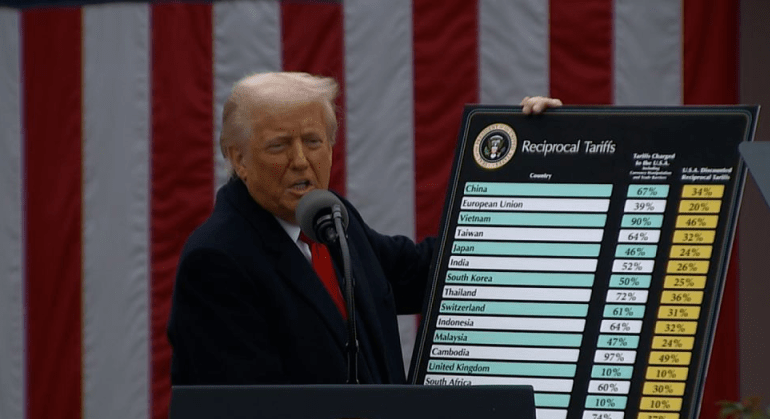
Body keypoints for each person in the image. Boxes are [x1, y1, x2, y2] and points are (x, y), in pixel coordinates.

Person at [168, 71, 560, 385]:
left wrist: (533, 154)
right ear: (239, 159)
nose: (301, 160)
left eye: (313, 141)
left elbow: (428, 272)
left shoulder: (331, 219)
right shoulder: (217, 260)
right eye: (279, 146)